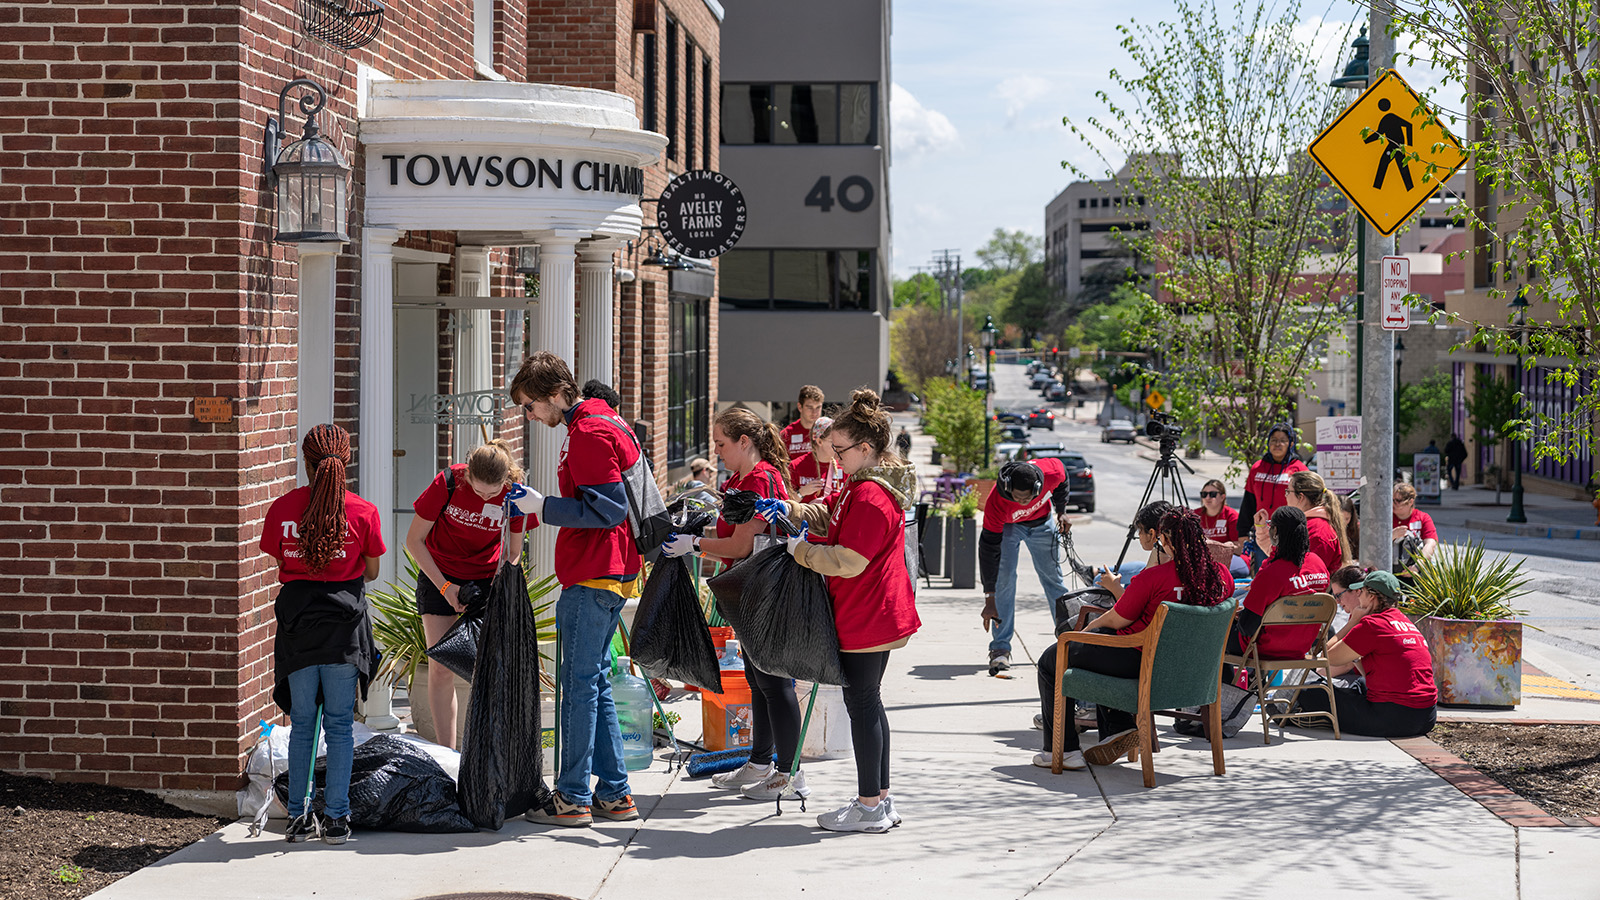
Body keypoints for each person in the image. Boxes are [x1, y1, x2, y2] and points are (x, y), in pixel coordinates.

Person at [768, 388, 920, 833]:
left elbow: (849, 560)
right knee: (869, 704)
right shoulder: (862, 486)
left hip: (868, 615)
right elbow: (830, 515)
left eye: (840, 450)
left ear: (866, 449)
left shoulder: (872, 496)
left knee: (863, 705)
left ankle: (869, 806)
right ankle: (880, 801)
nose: (834, 459)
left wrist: (800, 552)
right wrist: (792, 510)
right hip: (872, 612)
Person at [510, 351, 642, 829]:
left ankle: (571, 797)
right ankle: (615, 794)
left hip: (593, 574)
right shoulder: (603, 421)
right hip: (611, 573)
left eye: (530, 405)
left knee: (578, 688)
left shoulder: (586, 431)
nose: (529, 416)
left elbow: (607, 510)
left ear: (552, 396)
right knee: (595, 683)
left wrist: (543, 506)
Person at [661, 407, 805, 802]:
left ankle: (790, 774)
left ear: (745, 442)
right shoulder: (747, 477)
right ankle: (761, 763)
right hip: (751, 591)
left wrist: (695, 543)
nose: (718, 451)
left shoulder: (759, 478)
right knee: (760, 682)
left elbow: (742, 544)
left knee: (774, 683)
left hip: (763, 592)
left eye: (722, 443)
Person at [260, 424, 386, 845]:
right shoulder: (363, 512)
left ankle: (297, 817)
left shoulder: (283, 508)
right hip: (343, 629)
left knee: (301, 725)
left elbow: (279, 555)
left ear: (306, 463)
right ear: (344, 461)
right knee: (339, 726)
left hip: (297, 626)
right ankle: (336, 820)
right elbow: (370, 571)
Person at [1034, 507, 1233, 771]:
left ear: (1167, 541)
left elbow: (1117, 619)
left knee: (1054, 657)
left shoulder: (1153, 578)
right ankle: (1118, 726)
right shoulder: (1221, 576)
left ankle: (1064, 750)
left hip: (1140, 660)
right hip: (1194, 672)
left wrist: (1088, 629)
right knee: (1098, 646)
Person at [403, 439, 530, 750]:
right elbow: (414, 540)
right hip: (439, 576)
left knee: (489, 670)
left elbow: (514, 552)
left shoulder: (515, 495)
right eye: (478, 490)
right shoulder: (448, 483)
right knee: (441, 667)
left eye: (492, 492)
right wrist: (447, 588)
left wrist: (497, 588)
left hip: (487, 581)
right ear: (468, 475)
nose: (485, 496)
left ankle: (487, 751)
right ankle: (448, 752)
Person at [1295, 569, 1437, 737]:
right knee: (1360, 684)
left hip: (1393, 717)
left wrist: (1354, 621)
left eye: (1361, 592)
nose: (1358, 596)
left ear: (1371, 597)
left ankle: (1319, 718)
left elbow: (1327, 656)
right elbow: (1370, 676)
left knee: (1309, 693)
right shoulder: (1405, 622)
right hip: (1427, 717)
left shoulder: (1373, 624)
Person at [978, 458, 1073, 675]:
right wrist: (989, 597)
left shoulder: (1051, 472)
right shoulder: (996, 502)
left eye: (1027, 497)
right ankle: (1000, 649)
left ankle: (1070, 642)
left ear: (1037, 488)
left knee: (1054, 581)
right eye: (1016, 496)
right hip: (1010, 528)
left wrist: (1061, 510)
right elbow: (988, 549)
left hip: (1042, 524)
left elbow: (1064, 477)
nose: (1021, 502)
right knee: (1005, 581)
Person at [1231, 506, 1330, 663]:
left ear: (1275, 531)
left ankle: (1231, 687)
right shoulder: (1318, 564)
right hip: (1301, 647)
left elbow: (1247, 627)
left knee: (1214, 635)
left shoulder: (1272, 572)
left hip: (1264, 649)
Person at [1254, 471, 1350, 574]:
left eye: (1288, 491)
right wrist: (1262, 528)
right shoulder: (1303, 524)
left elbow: (1311, 576)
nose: (1285, 495)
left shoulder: (1317, 531)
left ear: (1300, 497)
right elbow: (1276, 554)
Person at [1237, 424, 1310, 531]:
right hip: (1261, 531)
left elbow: (1307, 504)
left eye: (1282, 440)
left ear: (1291, 444)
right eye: (1273, 440)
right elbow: (1248, 502)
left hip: (1289, 532)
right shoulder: (1257, 467)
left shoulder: (1300, 470)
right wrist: (1242, 532)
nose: (1277, 444)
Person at [1195, 478, 1247, 579]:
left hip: (1232, 556)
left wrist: (1217, 548)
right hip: (1204, 557)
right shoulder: (1195, 515)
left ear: (1223, 497)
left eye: (1213, 494)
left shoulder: (1232, 516)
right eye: (1204, 494)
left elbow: (1240, 548)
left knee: (1210, 569)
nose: (1208, 498)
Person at [788, 416, 844, 500]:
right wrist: (802, 492)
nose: (838, 446)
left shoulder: (845, 465)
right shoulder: (796, 466)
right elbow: (785, 504)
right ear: (819, 442)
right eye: (833, 442)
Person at [1392, 482, 1439, 572]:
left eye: (1397, 501)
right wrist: (1392, 536)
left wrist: (1418, 566)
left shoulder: (1423, 518)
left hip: (1416, 568)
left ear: (1410, 502)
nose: (1393, 504)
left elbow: (1430, 544)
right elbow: (1377, 545)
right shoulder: (1386, 519)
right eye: (1392, 500)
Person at [781, 384, 826, 459]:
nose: (814, 412)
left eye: (818, 407)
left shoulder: (827, 432)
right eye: (809, 407)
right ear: (799, 407)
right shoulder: (786, 435)